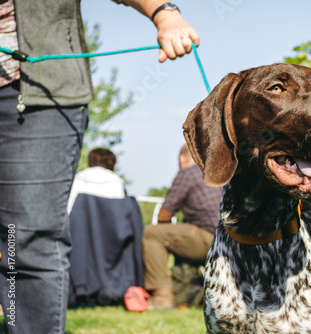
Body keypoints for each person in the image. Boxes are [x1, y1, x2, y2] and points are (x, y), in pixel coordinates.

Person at [0, 1, 199, 333]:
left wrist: (163, 11)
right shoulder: (120, 186)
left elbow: (163, 212)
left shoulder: (85, 181)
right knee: (17, 239)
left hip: (31, 87)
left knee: (21, 239)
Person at [142, 145, 222, 310]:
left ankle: (162, 297)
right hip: (229, 240)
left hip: (210, 238)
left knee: (152, 234)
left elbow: (165, 212)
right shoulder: (218, 174)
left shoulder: (188, 172)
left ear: (182, 158)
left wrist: (166, 239)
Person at [67, 148, 126, 213]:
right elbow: (120, 213)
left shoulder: (76, 180)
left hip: (79, 221)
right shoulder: (116, 183)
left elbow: (69, 209)